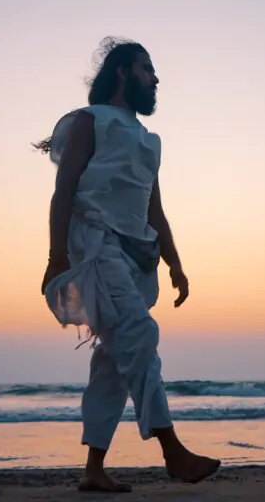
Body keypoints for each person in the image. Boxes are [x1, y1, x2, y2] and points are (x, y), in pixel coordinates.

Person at [35, 37, 221, 493]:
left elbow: (153, 207)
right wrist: (57, 256)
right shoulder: (90, 121)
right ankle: (172, 450)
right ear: (122, 72)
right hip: (96, 243)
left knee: (114, 359)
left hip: (138, 253)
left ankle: (93, 469)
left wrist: (175, 262)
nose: (155, 79)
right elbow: (63, 191)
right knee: (139, 334)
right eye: (146, 69)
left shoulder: (149, 141)